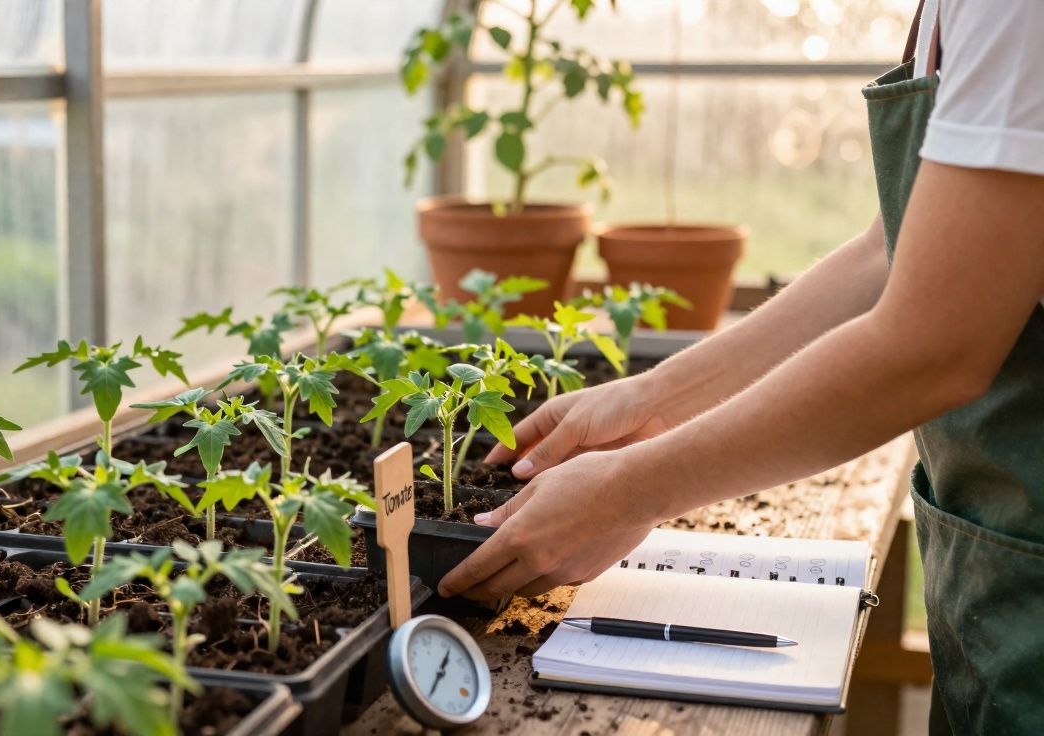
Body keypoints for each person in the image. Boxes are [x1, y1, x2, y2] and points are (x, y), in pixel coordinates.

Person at [437, 0, 1044, 732]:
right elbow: (894, 248)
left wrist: (628, 492)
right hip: (1000, 572)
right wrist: (658, 398)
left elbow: (936, 343)